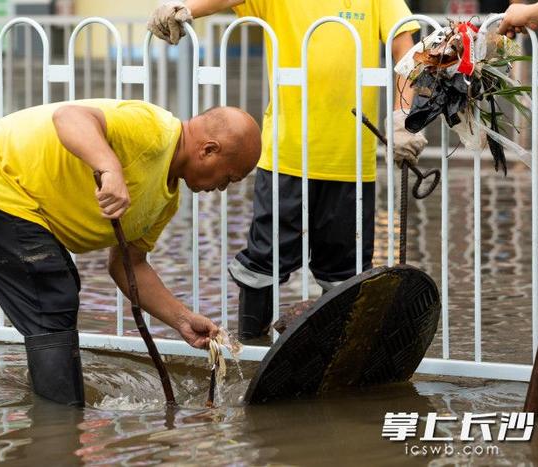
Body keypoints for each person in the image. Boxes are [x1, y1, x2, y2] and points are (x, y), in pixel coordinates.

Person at [0, 99, 262, 406]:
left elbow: (128, 266)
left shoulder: (166, 199)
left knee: (58, 290)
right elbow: (69, 117)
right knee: (53, 295)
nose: (222, 188)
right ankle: (60, 421)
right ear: (208, 150)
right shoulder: (154, 130)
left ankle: (61, 408)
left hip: (16, 203)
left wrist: (181, 319)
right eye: (229, 177)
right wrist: (110, 169)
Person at [148, 1, 427, 342]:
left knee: (347, 273)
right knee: (263, 262)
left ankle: (334, 357)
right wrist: (185, 8)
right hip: (286, 157)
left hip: (351, 162)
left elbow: (405, 45)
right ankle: (248, 352)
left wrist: (403, 116)